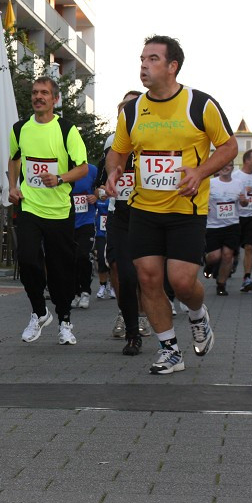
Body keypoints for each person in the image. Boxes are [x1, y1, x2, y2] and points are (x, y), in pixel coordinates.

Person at [105, 35, 237, 375]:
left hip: (186, 210)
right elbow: (118, 151)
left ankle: (197, 314)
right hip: (144, 209)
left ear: (172, 66)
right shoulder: (133, 111)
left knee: (180, 282)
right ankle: (169, 350)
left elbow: (228, 147)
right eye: (142, 59)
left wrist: (200, 171)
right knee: (147, 279)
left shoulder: (199, 104)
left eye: (152, 59)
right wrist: (113, 170)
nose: (144, 66)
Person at [9, 76, 89, 346]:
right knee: (28, 259)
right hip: (30, 206)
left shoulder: (67, 130)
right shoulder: (20, 128)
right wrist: (12, 186)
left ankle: (65, 320)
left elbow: (83, 167)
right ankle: (39, 313)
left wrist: (61, 178)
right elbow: (15, 158)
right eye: (34, 92)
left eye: (44, 92)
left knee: (60, 269)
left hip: (59, 210)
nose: (38, 96)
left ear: (55, 99)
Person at [98, 91, 145, 355]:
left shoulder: (152, 135)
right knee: (124, 273)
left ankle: (151, 319)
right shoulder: (111, 141)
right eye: (122, 109)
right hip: (121, 212)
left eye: (131, 107)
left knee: (150, 276)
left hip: (149, 211)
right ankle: (132, 332)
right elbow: (106, 170)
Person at [204, 161, 247, 296]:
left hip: (232, 225)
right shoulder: (211, 183)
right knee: (214, 256)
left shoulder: (238, 183)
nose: (225, 168)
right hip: (213, 225)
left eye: (228, 165)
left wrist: (243, 200)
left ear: (232, 168)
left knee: (228, 255)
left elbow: (244, 203)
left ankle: (221, 284)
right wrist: (205, 207)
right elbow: (202, 200)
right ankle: (209, 266)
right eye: (222, 165)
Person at [231, 149, 252, 292]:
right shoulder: (235, 176)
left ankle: (247, 278)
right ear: (246, 161)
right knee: (232, 250)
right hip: (237, 217)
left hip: (251, 216)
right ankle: (231, 264)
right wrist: (243, 191)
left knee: (249, 247)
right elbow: (230, 193)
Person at [70, 161, 99, 310]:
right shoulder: (64, 170)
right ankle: (75, 293)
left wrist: (95, 196)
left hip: (86, 221)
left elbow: (102, 187)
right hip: (68, 221)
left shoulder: (91, 170)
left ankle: (85, 291)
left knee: (82, 255)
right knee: (71, 258)